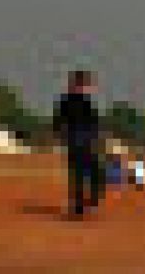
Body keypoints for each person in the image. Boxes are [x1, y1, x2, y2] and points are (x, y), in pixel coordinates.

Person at [51, 70, 103, 218]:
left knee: (84, 174)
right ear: (79, 85)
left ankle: (82, 204)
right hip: (78, 141)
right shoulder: (71, 102)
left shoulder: (80, 101)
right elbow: (60, 121)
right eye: (87, 83)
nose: (90, 87)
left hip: (82, 141)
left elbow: (93, 122)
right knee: (86, 173)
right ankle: (82, 204)